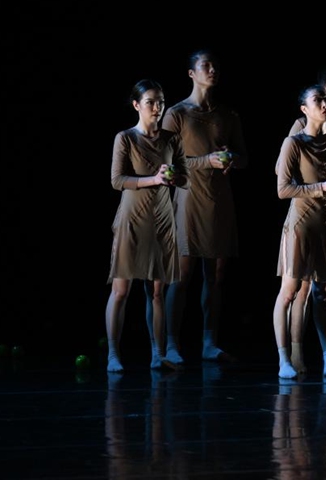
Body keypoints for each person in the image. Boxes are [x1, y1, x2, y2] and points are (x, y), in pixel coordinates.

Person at [162, 49, 248, 365]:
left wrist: (231, 160)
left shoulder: (227, 115)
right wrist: (205, 161)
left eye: (214, 65)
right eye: (205, 65)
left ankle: (209, 341)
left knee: (217, 274)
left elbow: (244, 157)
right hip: (188, 198)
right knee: (182, 274)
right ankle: (171, 343)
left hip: (219, 199)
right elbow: (167, 162)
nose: (212, 69)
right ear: (191, 73)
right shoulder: (176, 114)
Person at [272, 85, 326, 379]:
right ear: (304, 109)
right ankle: (284, 360)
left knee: (324, 293)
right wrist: (320, 187)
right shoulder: (294, 143)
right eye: (318, 100)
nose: (324, 104)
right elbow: (283, 189)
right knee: (290, 291)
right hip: (302, 224)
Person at [105, 79, 190, 373]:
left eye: (161, 101)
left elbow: (185, 178)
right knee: (121, 289)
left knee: (157, 291)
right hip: (133, 216)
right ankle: (113, 352)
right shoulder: (125, 138)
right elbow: (118, 180)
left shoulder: (172, 139)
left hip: (162, 218)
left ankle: (158, 352)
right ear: (136, 105)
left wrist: (172, 176)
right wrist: (153, 179)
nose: (157, 107)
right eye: (151, 101)